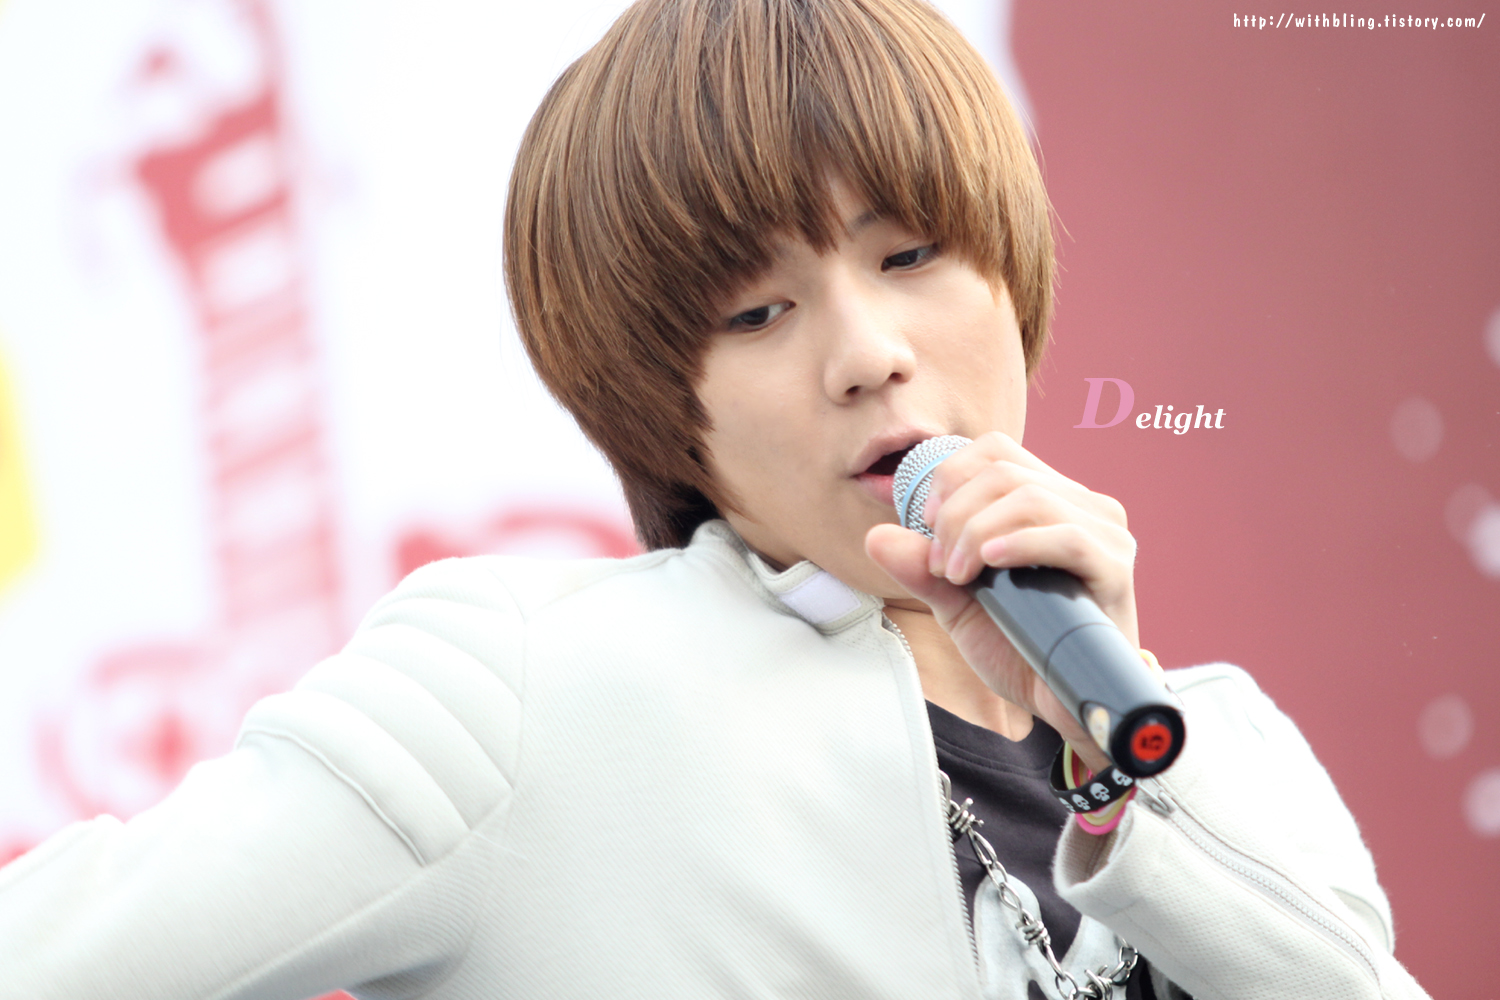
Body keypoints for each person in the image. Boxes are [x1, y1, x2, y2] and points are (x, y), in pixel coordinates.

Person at [0, 0, 1432, 998]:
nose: (868, 352)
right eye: (757, 313)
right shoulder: (530, 698)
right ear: (657, 408)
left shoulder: (1219, 745)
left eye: (912, 255)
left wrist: (1125, 766)